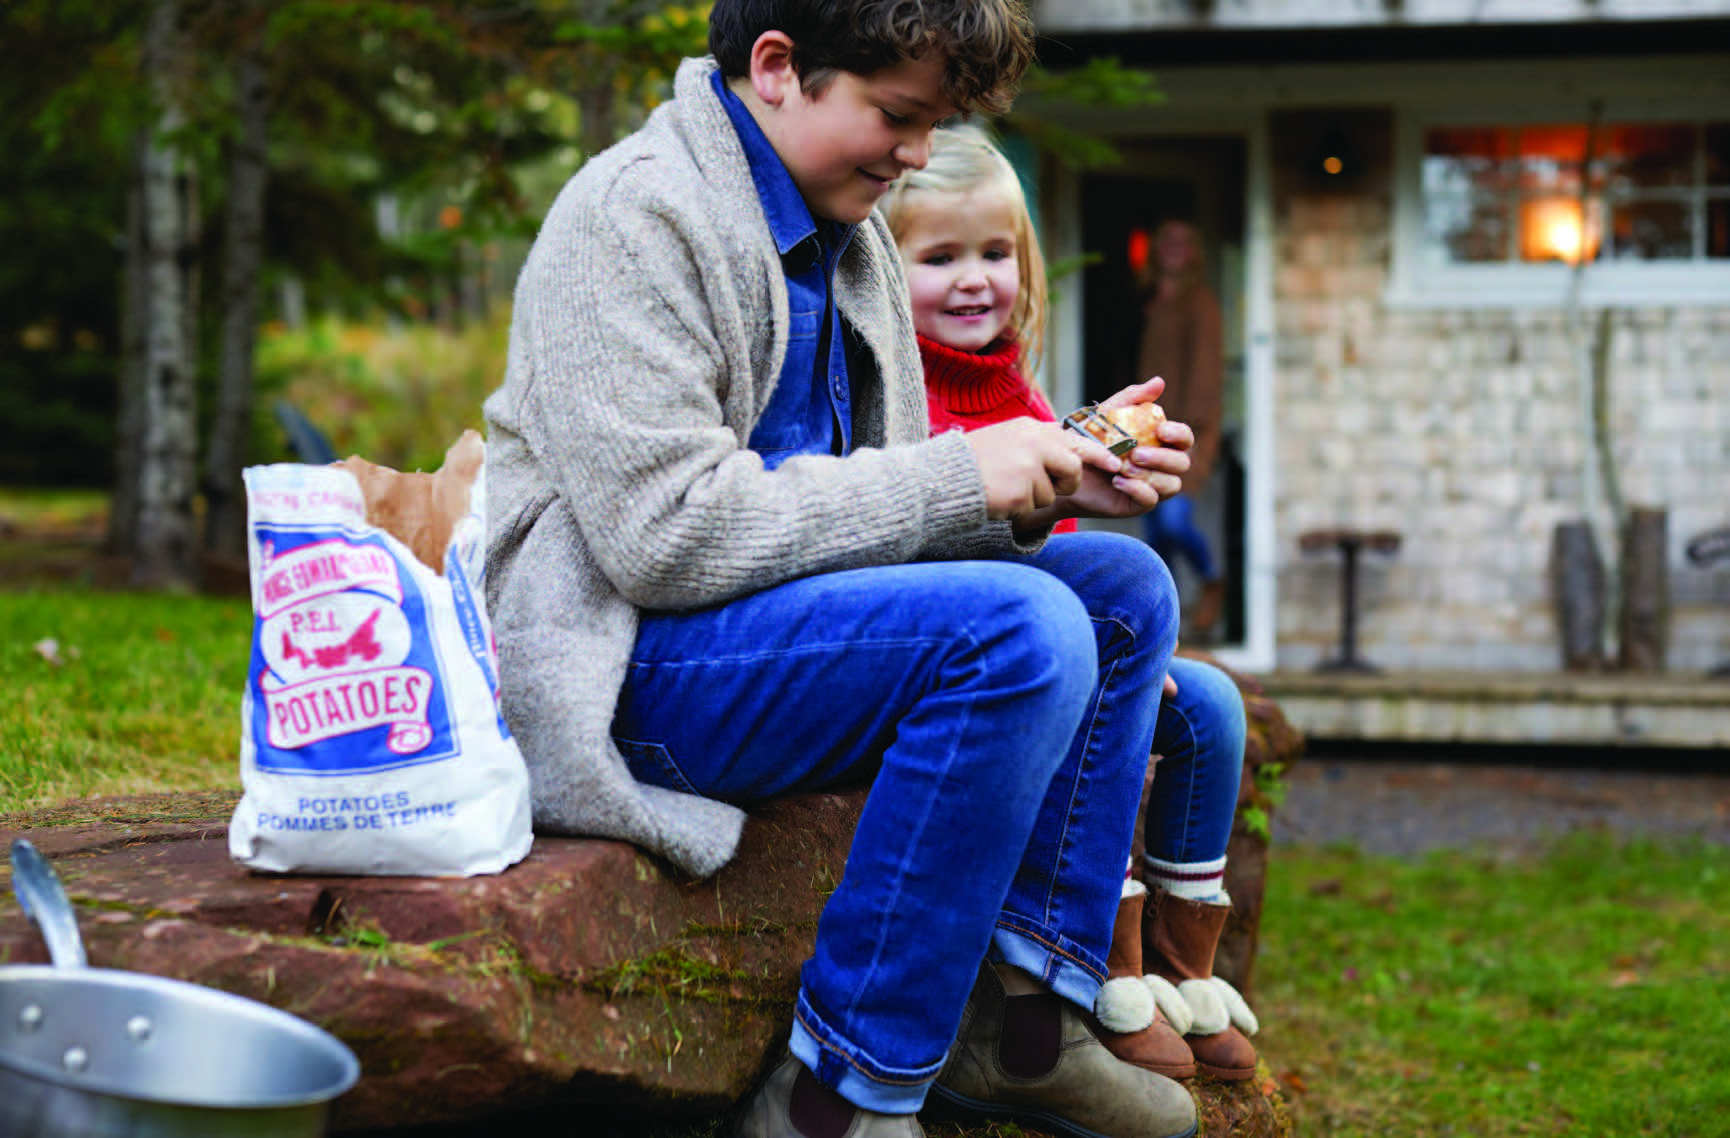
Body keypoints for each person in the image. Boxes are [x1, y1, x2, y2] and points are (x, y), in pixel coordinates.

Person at [482, 3, 1201, 1136]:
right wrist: (960, 476)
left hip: (774, 641)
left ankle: (1022, 1023)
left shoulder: (847, 234)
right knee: (1018, 634)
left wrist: (1049, 487)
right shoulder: (634, 217)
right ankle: (838, 1094)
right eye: (897, 115)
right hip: (623, 671)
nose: (916, 155)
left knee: (1116, 594)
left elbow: (867, 519)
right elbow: (662, 536)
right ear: (777, 69)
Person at [882, 124, 1261, 1084]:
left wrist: (1092, 452)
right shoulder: (897, 394)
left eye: (995, 254)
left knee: (1212, 707)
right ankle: (1104, 965)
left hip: (1070, 632)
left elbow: (1065, 544)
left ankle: (1186, 973)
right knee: (1122, 679)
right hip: (995, 654)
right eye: (940, 257)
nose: (975, 279)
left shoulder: (1016, 385)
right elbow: (929, 551)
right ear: (883, 268)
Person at [1136, 220, 1228, 636]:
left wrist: (1190, 429)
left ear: (1193, 252)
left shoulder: (1199, 300)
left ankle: (1212, 579)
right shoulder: (1155, 301)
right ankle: (1165, 626)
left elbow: (1207, 370)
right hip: (1150, 431)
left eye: (1183, 241)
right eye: (1166, 240)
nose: (1173, 248)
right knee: (1155, 529)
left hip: (1188, 430)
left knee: (1174, 520)